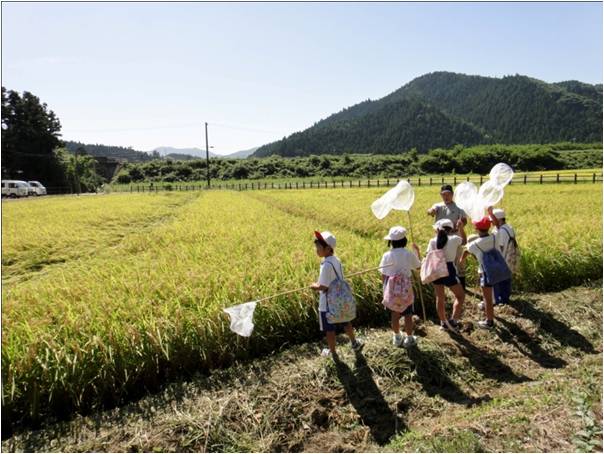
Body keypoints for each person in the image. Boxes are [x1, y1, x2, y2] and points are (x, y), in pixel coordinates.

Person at [311, 230, 363, 358]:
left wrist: (314, 286)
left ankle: (332, 353)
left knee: (329, 330)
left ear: (328, 249)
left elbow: (323, 286)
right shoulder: (336, 260)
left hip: (328, 304)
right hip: (341, 299)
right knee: (346, 322)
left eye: (318, 247)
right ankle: (354, 343)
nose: (316, 249)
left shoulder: (326, 265)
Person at [379, 226, 421, 348]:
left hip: (392, 289)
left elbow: (383, 274)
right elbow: (418, 267)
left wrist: (384, 290)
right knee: (408, 314)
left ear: (391, 241)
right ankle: (409, 338)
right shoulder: (408, 254)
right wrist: (416, 252)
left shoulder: (387, 255)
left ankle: (397, 337)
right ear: (405, 240)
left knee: (395, 314)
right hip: (405, 289)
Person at [426, 218, 467, 331]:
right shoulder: (454, 239)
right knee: (460, 296)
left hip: (436, 269)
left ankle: (443, 322)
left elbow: (428, 255)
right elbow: (464, 241)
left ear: (438, 229)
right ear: (451, 229)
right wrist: (461, 228)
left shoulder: (432, 241)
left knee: (440, 297)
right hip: (449, 269)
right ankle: (453, 321)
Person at [427, 184, 468, 288]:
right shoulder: (438, 206)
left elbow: (464, 220)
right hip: (440, 239)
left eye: (448, 194)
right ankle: (444, 283)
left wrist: (460, 224)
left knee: (459, 262)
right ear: (441, 195)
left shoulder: (459, 208)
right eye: (443, 194)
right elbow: (431, 211)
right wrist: (431, 211)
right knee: (441, 260)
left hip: (455, 237)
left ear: (452, 195)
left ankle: (461, 286)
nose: (446, 196)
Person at [460, 217, 496, 329]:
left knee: (487, 299)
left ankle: (489, 322)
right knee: (490, 295)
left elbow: (465, 252)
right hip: (496, 269)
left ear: (476, 228)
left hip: (485, 272)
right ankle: (488, 315)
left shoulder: (474, 244)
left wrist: (461, 260)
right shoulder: (495, 237)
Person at [487, 207, 517, 306]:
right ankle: (505, 299)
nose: (491, 223)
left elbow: (499, 247)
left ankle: (502, 301)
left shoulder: (502, 231)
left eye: (493, 220)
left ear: (499, 219)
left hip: (503, 259)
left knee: (501, 281)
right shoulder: (509, 227)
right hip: (509, 259)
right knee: (506, 280)